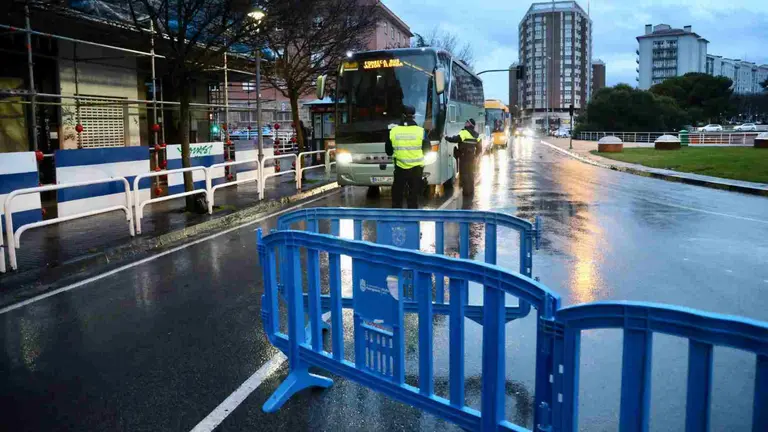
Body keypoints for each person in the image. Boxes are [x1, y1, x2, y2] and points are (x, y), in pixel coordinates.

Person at [385, 105, 430, 209]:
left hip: (400, 168)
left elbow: (388, 151)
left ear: (402, 116)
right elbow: (427, 149)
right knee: (413, 195)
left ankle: (396, 217)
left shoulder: (393, 131)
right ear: (414, 116)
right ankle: (412, 218)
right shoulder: (420, 131)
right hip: (416, 168)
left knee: (397, 193)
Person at [446, 118, 482, 196]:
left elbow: (456, 139)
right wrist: (475, 156)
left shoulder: (464, 132)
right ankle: (471, 192)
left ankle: (466, 193)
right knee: (471, 174)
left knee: (464, 174)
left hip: (464, 157)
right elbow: (479, 148)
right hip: (471, 158)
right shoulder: (476, 135)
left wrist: (446, 138)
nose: (465, 123)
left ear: (470, 125)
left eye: (467, 122)